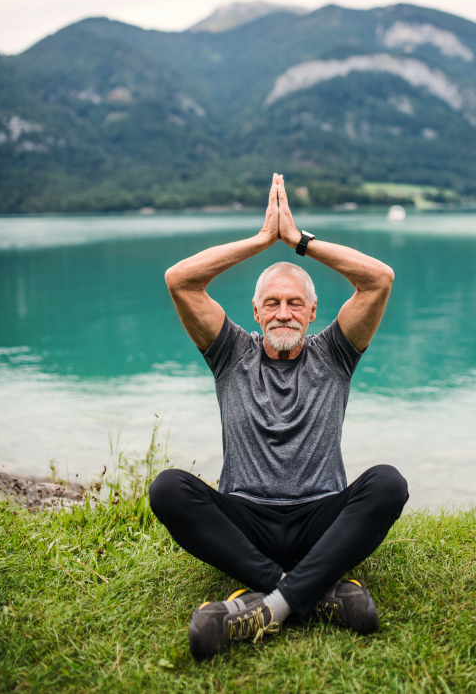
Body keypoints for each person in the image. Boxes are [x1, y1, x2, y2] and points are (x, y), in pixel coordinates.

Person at [149, 174, 408, 659]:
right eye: (272, 303)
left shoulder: (334, 354)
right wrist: (260, 241)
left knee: (388, 483)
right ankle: (315, 593)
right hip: (246, 519)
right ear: (256, 311)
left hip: (321, 519)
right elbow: (179, 279)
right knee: (167, 488)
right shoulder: (230, 353)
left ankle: (270, 603)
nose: (283, 312)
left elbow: (379, 279)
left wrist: (299, 242)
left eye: (295, 304)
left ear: (313, 313)